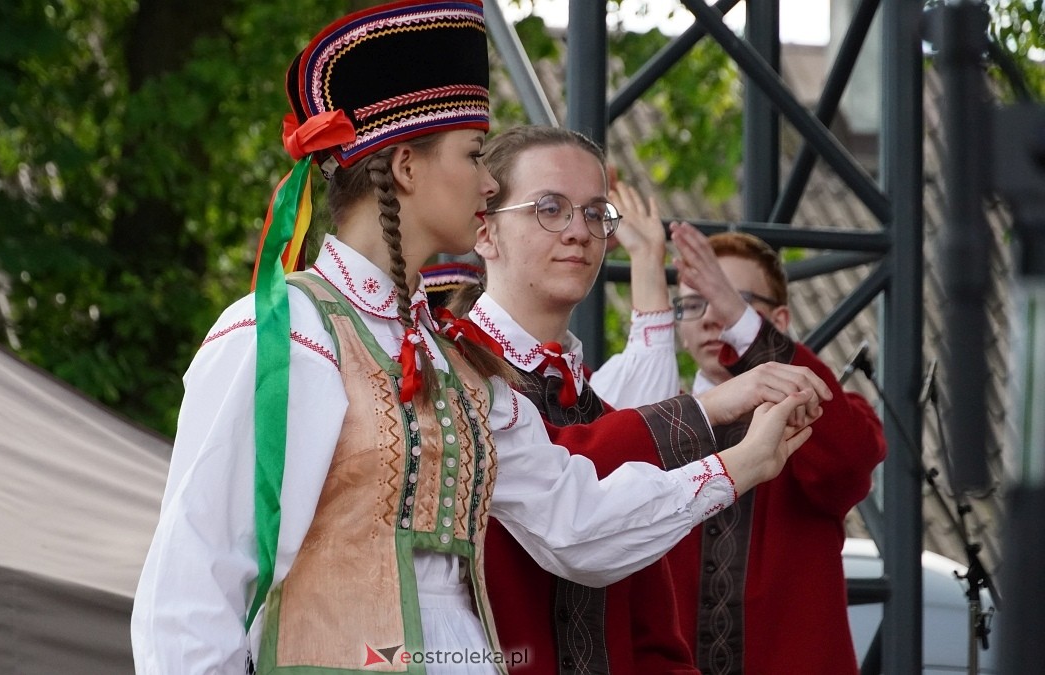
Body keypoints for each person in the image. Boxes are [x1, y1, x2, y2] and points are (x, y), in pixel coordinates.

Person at [130, 3, 820, 673]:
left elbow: (576, 521)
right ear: (406, 167)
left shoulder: (457, 363)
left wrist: (741, 464)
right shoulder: (286, 336)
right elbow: (196, 584)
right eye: (473, 154)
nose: (490, 183)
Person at [439, 125, 833, 674]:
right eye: (550, 209)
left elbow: (653, 640)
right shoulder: (445, 372)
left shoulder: (597, 408)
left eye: (595, 213)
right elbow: (569, 482)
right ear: (486, 232)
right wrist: (713, 413)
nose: (579, 232)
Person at [653, 224, 888, 674]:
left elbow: (851, 459)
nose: (711, 316)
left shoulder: (822, 416)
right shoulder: (655, 423)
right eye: (694, 303)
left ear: (777, 321)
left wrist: (744, 328)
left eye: (729, 300)